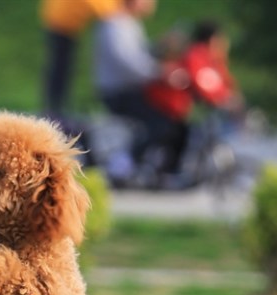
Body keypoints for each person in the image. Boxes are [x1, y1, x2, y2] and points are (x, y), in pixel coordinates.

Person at [94, 0, 185, 181]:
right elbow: (129, 63)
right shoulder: (115, 24)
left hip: (131, 89)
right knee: (159, 122)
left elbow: (138, 56)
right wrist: (160, 72)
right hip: (119, 92)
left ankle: (158, 166)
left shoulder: (128, 24)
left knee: (170, 117)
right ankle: (124, 163)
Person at [144, 21, 244, 169]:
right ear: (213, 39)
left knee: (184, 134)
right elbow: (203, 82)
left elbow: (222, 82)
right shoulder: (197, 55)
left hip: (175, 106)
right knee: (177, 135)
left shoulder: (209, 57)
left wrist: (229, 95)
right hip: (165, 104)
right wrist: (223, 99)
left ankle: (170, 170)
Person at [40, 0, 120, 121]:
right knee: (60, 68)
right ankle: (54, 109)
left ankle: (56, 107)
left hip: (64, 22)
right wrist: (112, 12)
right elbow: (96, 4)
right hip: (63, 23)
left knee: (62, 67)